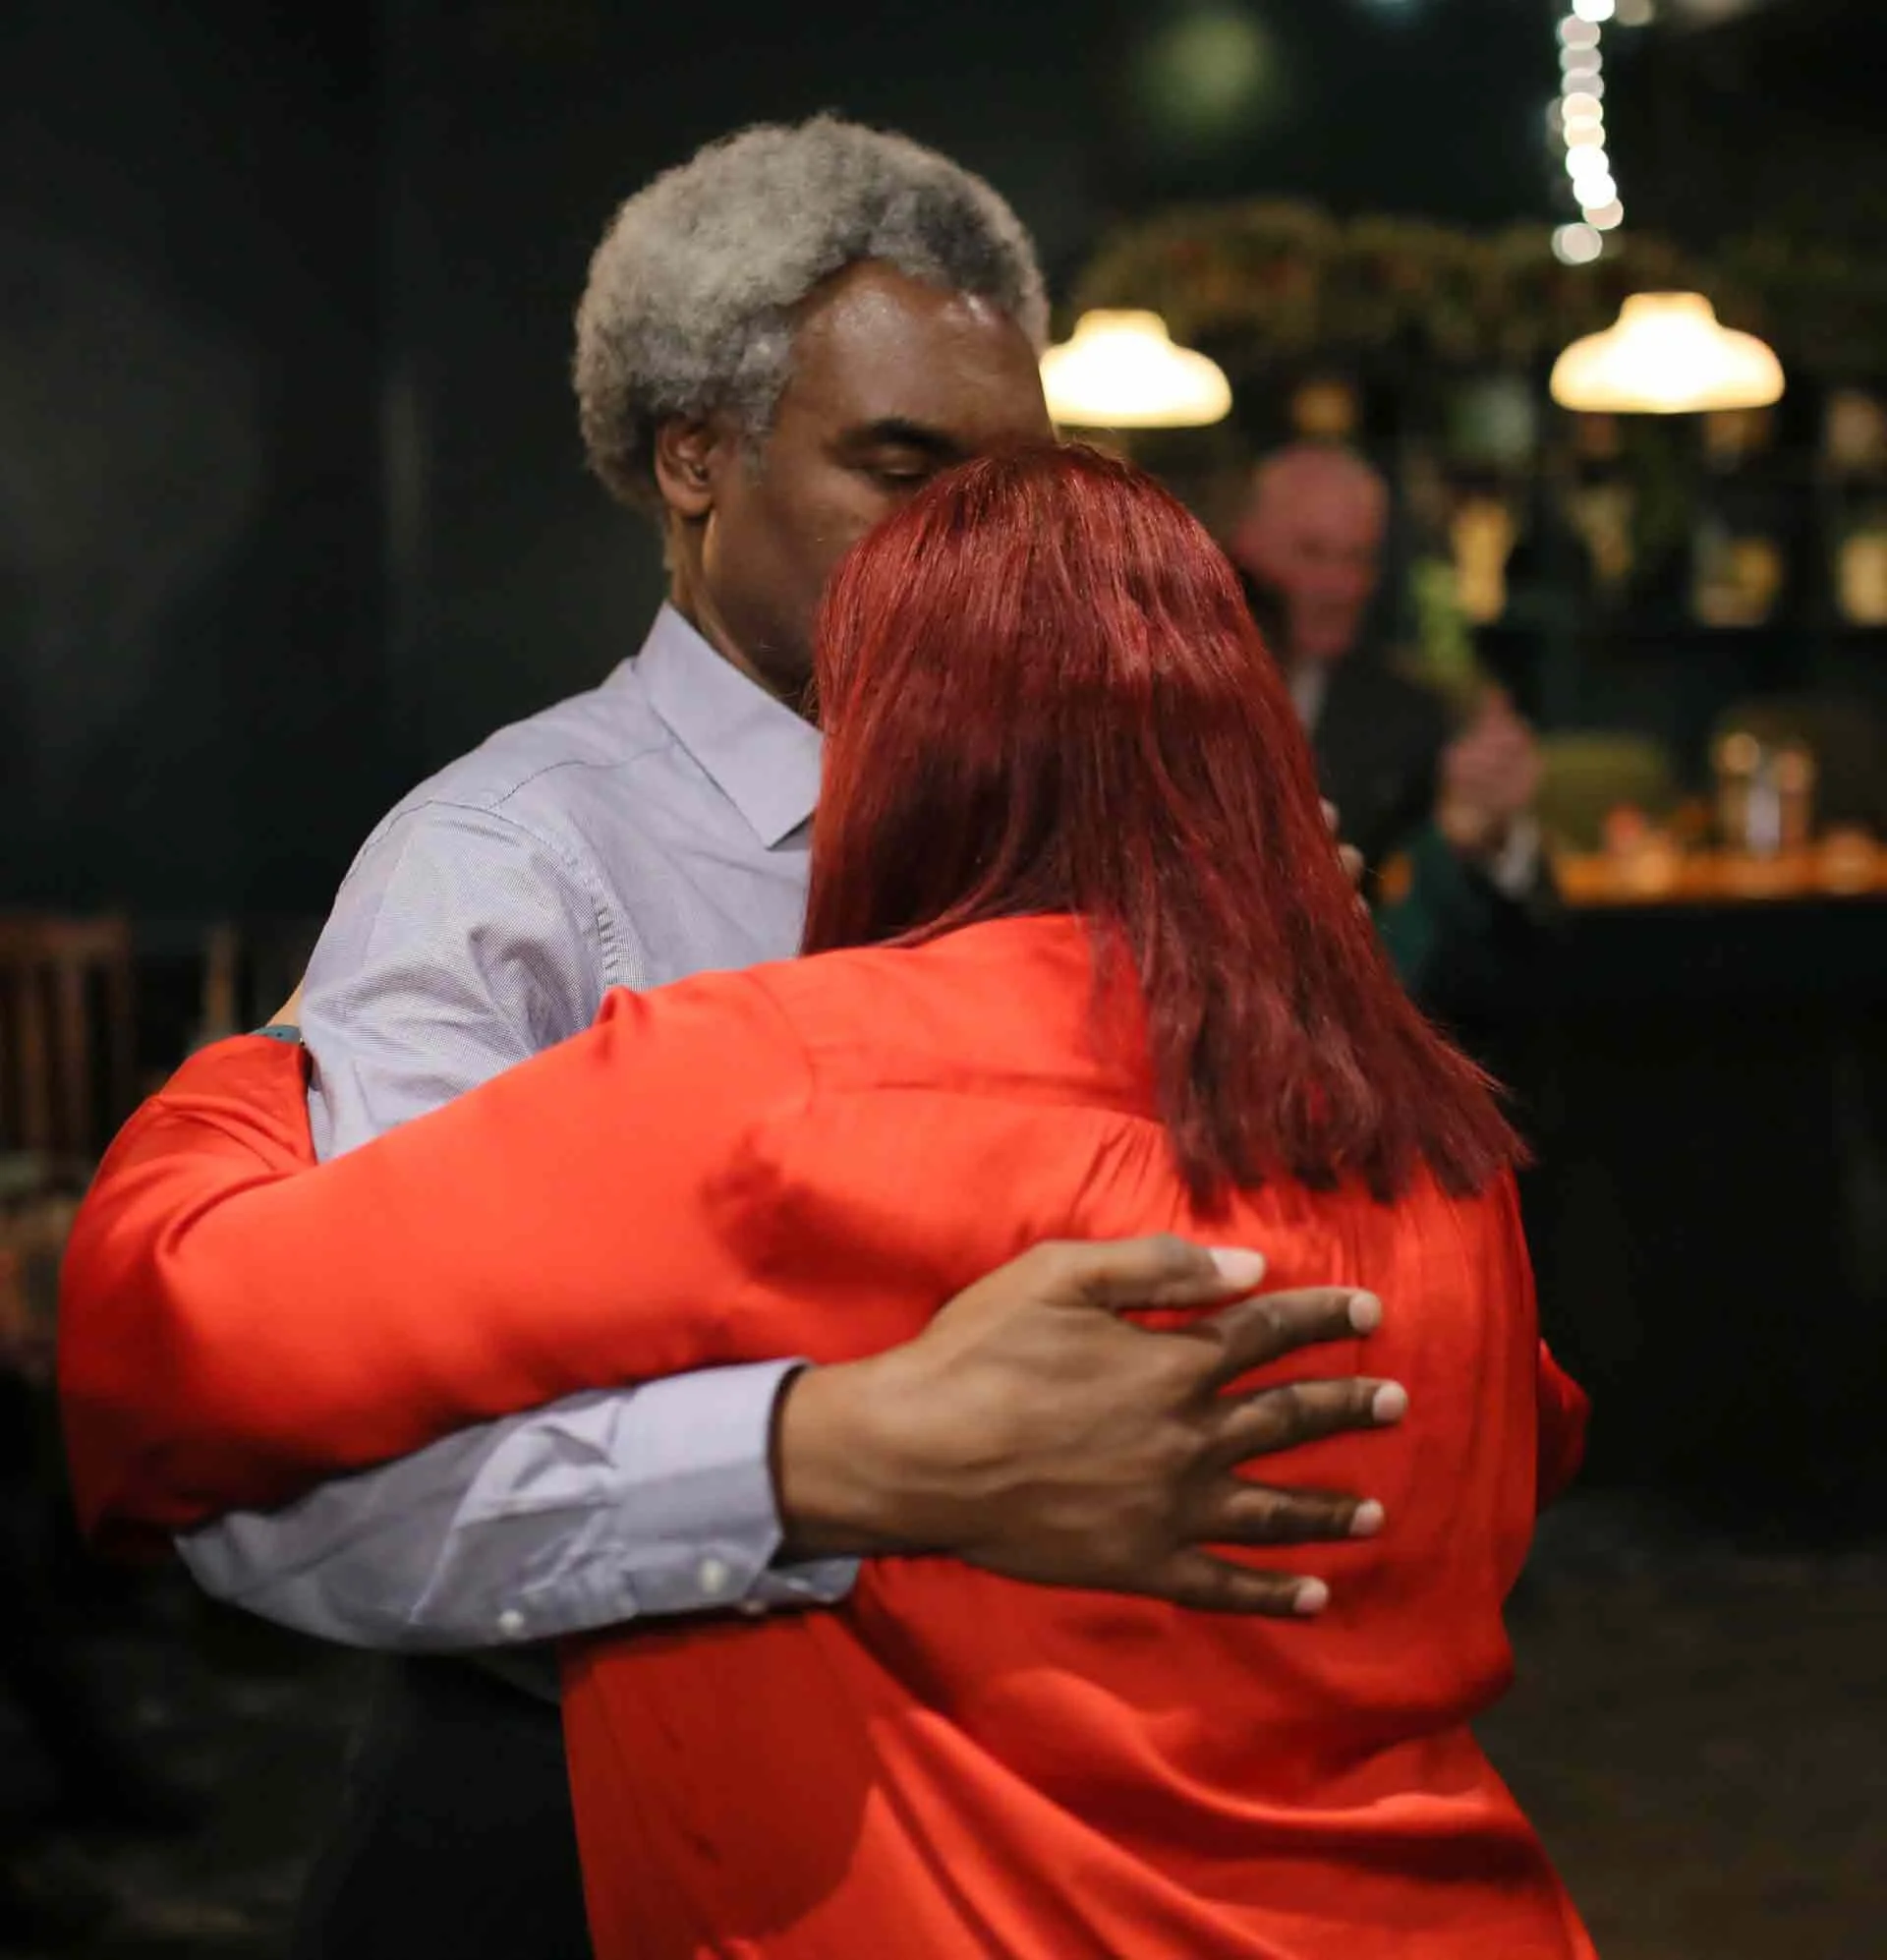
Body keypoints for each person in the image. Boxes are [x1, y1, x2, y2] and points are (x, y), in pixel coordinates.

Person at [76, 122, 1393, 1960]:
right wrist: (812, 1454)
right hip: (579, 1830)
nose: (976, 551)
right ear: (694, 459)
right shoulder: (511, 867)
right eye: (901, 467)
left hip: (1041, 1830)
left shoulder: (1112, 818)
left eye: (1012, 484)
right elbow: (279, 1493)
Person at [1229, 443, 1549, 1029]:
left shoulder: (1417, 711)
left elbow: (1523, 941)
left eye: (1358, 560)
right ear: (1247, 547)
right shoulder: (1176, 688)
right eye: (1313, 553)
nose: (1339, 585)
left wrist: (1497, 837)